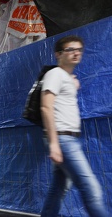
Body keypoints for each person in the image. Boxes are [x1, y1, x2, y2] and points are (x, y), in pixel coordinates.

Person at [40, 35, 108, 216]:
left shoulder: (67, 78)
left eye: (79, 49)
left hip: (69, 139)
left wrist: (72, 84)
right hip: (62, 139)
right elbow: (46, 106)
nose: (76, 53)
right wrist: (54, 143)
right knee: (90, 187)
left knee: (58, 189)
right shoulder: (55, 74)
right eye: (70, 49)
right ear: (58, 54)